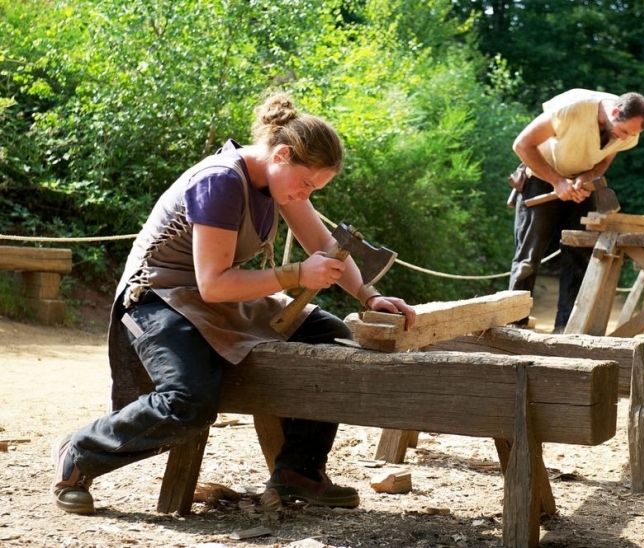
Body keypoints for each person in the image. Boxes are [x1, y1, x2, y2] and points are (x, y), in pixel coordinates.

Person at [50, 91, 416, 515]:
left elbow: (326, 244)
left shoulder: (280, 184)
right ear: (281, 154)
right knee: (189, 399)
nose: (305, 195)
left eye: (314, 188)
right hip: (158, 298)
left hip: (218, 295)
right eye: (306, 184)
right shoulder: (221, 181)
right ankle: (80, 455)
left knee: (332, 338)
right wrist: (296, 274)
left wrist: (370, 294)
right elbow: (212, 284)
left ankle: (299, 470)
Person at [508, 88, 644, 332]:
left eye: (631, 135)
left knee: (579, 254)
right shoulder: (573, 109)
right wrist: (556, 182)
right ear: (615, 111)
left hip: (578, 187)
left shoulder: (628, 134)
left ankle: (566, 326)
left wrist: (586, 178)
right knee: (528, 258)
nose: (626, 138)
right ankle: (513, 323)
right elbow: (522, 145)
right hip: (541, 178)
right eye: (624, 131)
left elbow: (603, 162)